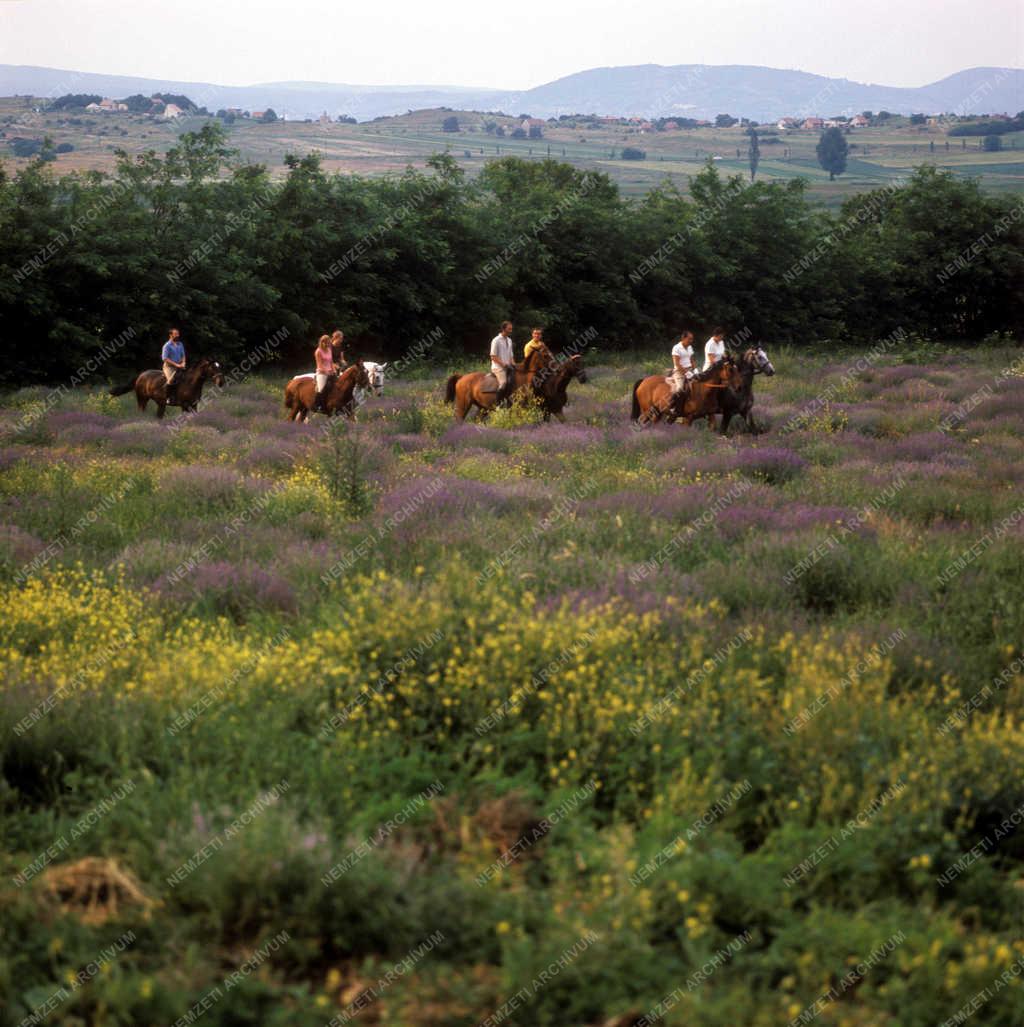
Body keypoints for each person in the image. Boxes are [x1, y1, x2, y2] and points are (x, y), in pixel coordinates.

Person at [670, 331, 696, 415]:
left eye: (692, 339)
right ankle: (673, 408)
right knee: (680, 389)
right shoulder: (676, 348)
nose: (691, 341)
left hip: (690, 370)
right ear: (683, 338)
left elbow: (692, 360)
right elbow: (677, 364)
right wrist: (686, 373)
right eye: (689, 339)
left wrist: (695, 369)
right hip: (679, 372)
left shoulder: (690, 347)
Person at [490, 321, 515, 404]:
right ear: (503, 329)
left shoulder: (510, 340)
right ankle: (498, 404)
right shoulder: (496, 340)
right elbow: (493, 356)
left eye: (511, 329)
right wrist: (504, 365)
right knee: (503, 383)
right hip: (498, 368)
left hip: (509, 367)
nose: (511, 331)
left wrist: (514, 364)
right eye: (509, 329)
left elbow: (511, 355)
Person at [161, 328, 186, 405]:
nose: (178, 335)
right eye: (176, 334)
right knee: (171, 380)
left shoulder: (180, 344)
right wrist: (176, 365)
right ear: (171, 335)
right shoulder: (167, 346)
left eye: (178, 334)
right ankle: (167, 397)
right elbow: (165, 358)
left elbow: (183, 355)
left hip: (179, 366)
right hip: (169, 367)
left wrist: (184, 362)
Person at [314, 334, 335, 413]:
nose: (327, 344)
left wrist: (333, 370)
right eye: (325, 343)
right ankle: (318, 405)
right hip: (321, 373)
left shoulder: (329, 349)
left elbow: (331, 362)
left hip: (330, 371)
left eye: (328, 343)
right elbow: (319, 365)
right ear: (321, 342)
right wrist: (326, 372)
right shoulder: (318, 351)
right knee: (321, 388)